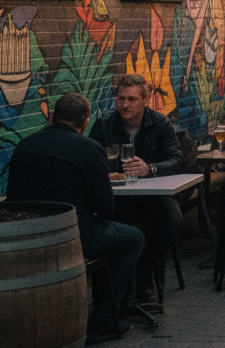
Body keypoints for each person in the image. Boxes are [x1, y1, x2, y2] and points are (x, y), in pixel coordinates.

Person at [8, 92, 145, 339]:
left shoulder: (24, 146)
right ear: (85, 122)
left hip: (25, 235)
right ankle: (104, 317)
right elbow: (105, 209)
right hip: (72, 237)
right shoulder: (89, 148)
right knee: (132, 238)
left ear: (52, 117)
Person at [88, 74, 183, 305]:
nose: (125, 105)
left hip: (151, 196)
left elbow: (179, 160)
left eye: (131, 99)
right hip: (117, 197)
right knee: (114, 225)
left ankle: (143, 269)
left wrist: (150, 168)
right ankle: (119, 292)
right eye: (120, 98)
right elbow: (91, 159)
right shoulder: (105, 126)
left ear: (146, 99)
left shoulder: (159, 123)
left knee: (173, 220)